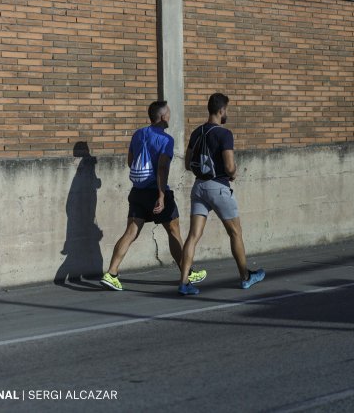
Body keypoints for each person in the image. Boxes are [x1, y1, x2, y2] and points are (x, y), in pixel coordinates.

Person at [100, 101, 206, 291]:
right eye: (169, 114)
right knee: (174, 232)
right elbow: (162, 168)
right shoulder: (166, 140)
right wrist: (161, 195)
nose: (170, 117)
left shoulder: (138, 134)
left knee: (131, 232)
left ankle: (111, 273)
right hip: (156, 192)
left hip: (137, 192)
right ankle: (187, 274)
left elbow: (131, 161)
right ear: (163, 117)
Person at [177, 93, 265, 295]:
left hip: (198, 187)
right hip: (219, 188)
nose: (227, 113)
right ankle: (245, 277)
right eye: (227, 109)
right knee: (235, 232)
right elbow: (229, 165)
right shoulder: (224, 134)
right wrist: (233, 173)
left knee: (193, 235)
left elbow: (187, 163)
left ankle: (183, 283)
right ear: (221, 110)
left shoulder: (197, 132)